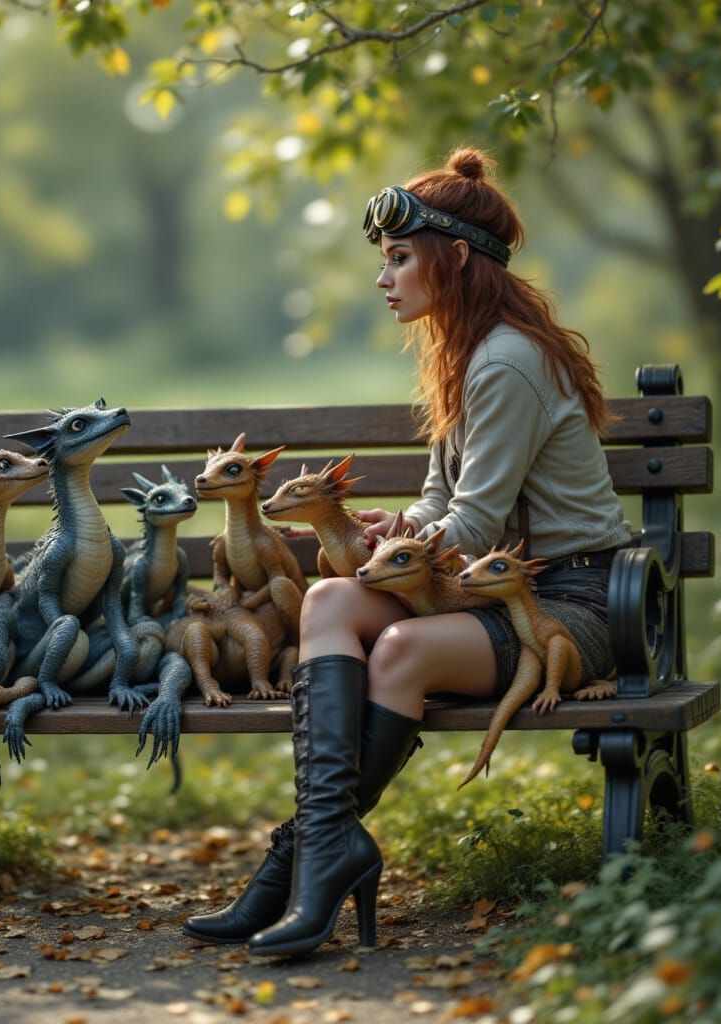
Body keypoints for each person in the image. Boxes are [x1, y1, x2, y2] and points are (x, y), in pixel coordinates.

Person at [182, 147, 631, 958]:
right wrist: (398, 528)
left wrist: (410, 544)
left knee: (398, 651)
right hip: (484, 591)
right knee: (328, 599)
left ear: (453, 258)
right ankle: (322, 854)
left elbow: (474, 527)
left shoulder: (506, 362)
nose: (383, 278)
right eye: (383, 260)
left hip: (567, 606)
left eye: (398, 259)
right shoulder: (467, 353)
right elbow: (440, 503)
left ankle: (301, 861)